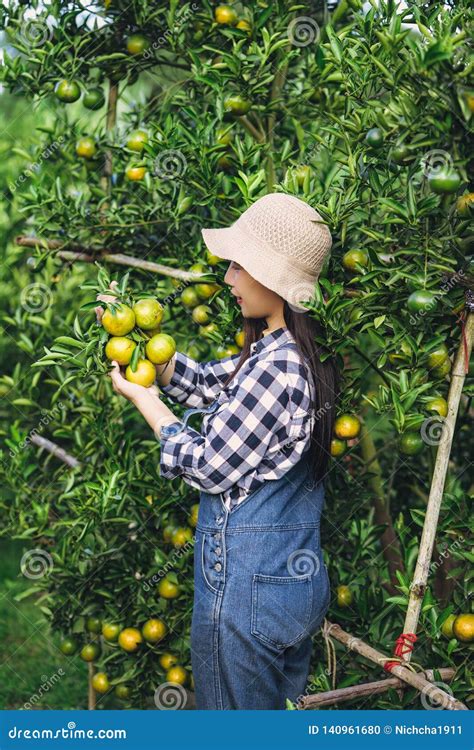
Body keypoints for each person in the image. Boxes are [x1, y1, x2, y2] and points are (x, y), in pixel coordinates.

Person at [96, 192, 339, 710]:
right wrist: (142, 342)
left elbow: (208, 466)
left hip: (246, 598)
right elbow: (213, 386)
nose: (228, 278)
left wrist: (147, 402)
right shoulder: (284, 352)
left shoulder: (277, 367)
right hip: (286, 592)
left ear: (272, 278)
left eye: (239, 265)